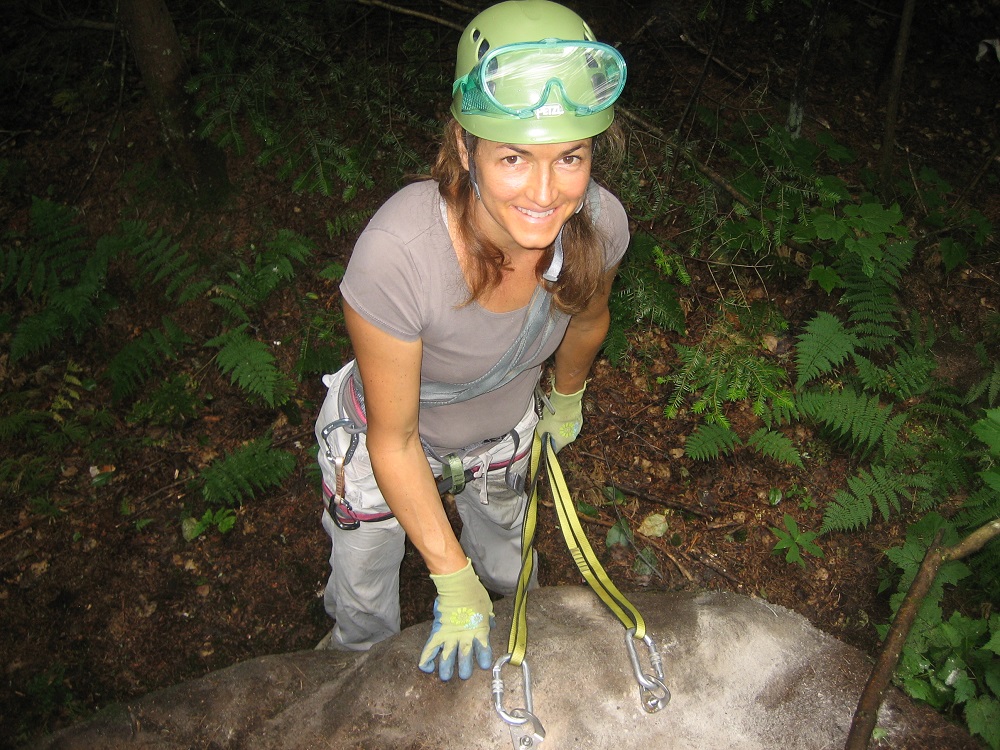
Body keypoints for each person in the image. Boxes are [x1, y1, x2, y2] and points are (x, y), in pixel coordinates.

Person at [314, 0, 629, 683]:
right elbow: (394, 443)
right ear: (465, 147)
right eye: (514, 157)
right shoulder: (399, 255)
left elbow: (588, 319)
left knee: (518, 581)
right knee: (365, 609)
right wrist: (449, 579)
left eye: (569, 156)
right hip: (385, 440)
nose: (546, 192)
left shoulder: (598, 224)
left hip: (499, 437)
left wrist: (566, 399)